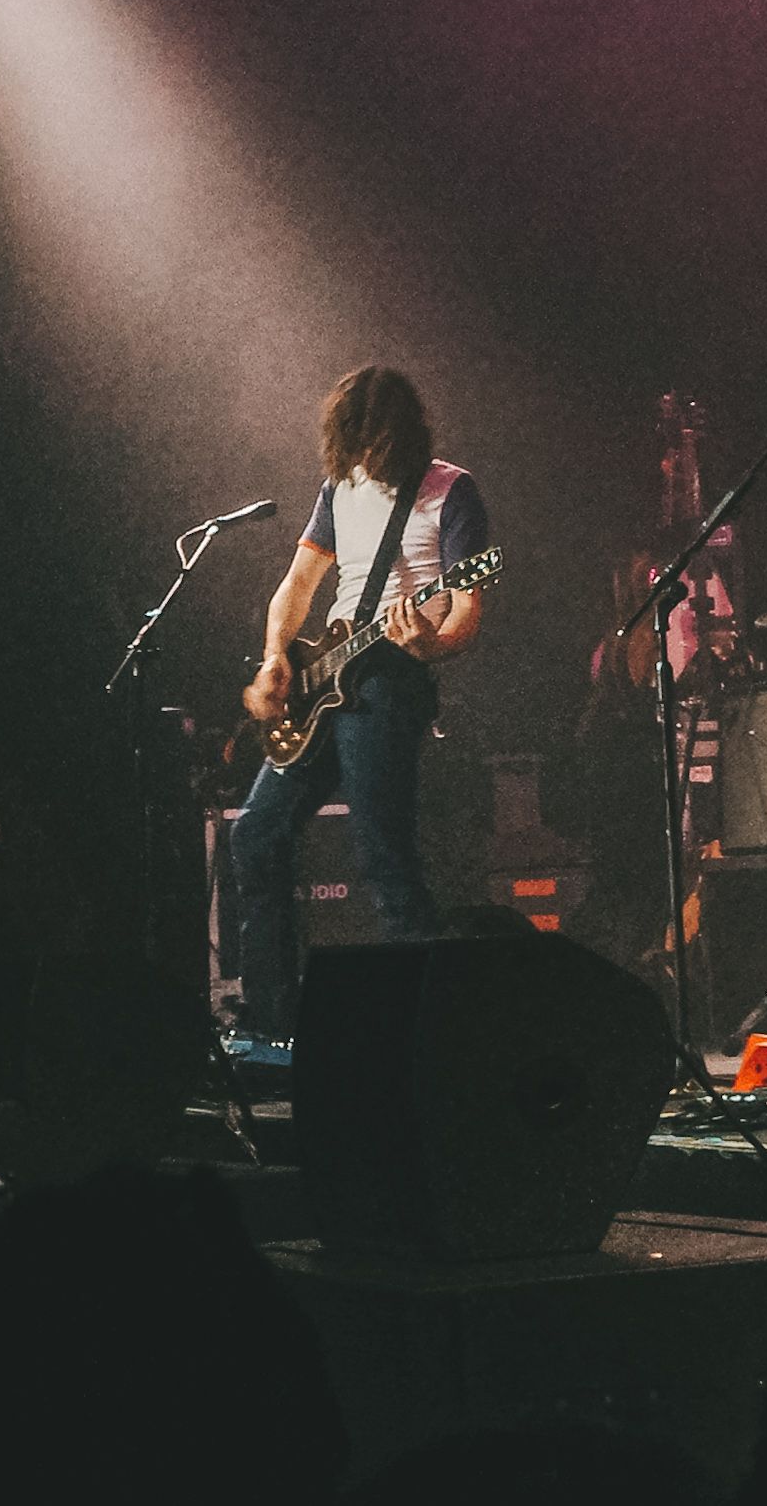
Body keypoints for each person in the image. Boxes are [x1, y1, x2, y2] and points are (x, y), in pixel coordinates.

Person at [214, 367, 492, 1038]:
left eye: (375, 436)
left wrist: (430, 644)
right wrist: (276, 658)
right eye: (355, 437)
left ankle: (429, 1029)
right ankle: (274, 1025)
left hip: (390, 681)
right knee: (255, 834)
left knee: (382, 853)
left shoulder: (451, 490)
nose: (366, 450)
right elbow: (297, 585)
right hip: (324, 678)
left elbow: (467, 608)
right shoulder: (339, 488)